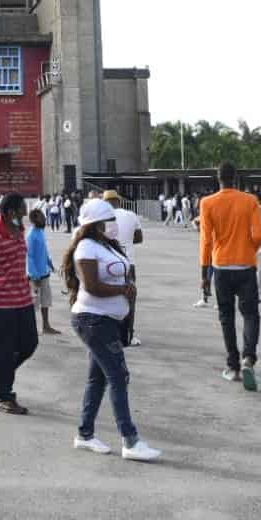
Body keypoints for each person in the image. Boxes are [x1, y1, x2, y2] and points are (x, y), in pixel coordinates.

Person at [62, 198, 161, 461]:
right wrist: (121, 290)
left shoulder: (108, 245)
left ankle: (84, 434)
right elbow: (92, 285)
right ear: (95, 225)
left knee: (98, 379)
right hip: (92, 320)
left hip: (110, 320)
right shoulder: (85, 247)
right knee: (119, 375)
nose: (114, 224)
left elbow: (125, 273)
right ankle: (130, 440)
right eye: (109, 221)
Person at [198, 162, 261, 389]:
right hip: (246, 266)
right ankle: (248, 358)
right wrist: (247, 251)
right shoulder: (250, 201)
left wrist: (205, 273)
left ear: (218, 178)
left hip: (221, 267)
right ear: (235, 178)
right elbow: (258, 235)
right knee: (250, 315)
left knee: (226, 317)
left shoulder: (207, 203)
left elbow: (206, 240)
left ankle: (233, 366)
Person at [0, 193, 41, 415]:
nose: (25, 212)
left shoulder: (20, 229)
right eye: (22, 208)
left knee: (29, 343)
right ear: (11, 211)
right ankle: (3, 396)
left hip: (22, 298)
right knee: (2, 350)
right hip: (1, 302)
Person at [106, 190, 144, 347]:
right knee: (129, 299)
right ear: (119, 201)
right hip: (129, 263)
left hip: (108, 263)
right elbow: (139, 238)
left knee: (108, 298)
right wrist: (126, 241)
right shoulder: (131, 215)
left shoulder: (103, 217)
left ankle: (109, 333)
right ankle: (129, 335)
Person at [27, 205, 60, 335]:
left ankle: (46, 326)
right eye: (42, 218)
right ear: (35, 220)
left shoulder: (40, 232)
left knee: (46, 301)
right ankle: (30, 329)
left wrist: (50, 263)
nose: (45, 220)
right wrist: (34, 275)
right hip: (35, 276)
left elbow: (44, 251)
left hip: (44, 273)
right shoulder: (31, 235)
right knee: (33, 303)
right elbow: (29, 256)